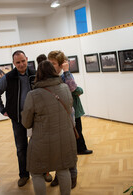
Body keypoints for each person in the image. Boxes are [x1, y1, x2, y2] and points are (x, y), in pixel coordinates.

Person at [21, 60, 77, 195]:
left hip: (42, 140)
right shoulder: (65, 88)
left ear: (38, 74)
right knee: (63, 169)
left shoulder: (33, 95)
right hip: (65, 137)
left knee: (37, 173)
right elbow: (69, 110)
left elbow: (26, 123)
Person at [48, 50, 93, 188]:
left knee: (70, 148)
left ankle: (72, 176)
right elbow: (75, 90)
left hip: (70, 115)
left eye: (54, 63)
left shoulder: (65, 76)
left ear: (61, 64)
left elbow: (73, 88)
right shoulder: (49, 77)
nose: (51, 65)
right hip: (56, 116)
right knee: (57, 149)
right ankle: (58, 176)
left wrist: (67, 72)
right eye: (49, 62)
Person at [0, 50, 36, 187]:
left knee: (38, 145)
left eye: (23, 61)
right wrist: (3, 110)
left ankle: (43, 172)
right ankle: (24, 175)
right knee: (21, 148)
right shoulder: (8, 77)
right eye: (18, 62)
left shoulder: (35, 74)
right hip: (18, 118)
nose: (21, 64)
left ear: (27, 59)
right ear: (14, 63)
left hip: (36, 117)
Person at [36, 54, 53, 183]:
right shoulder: (36, 85)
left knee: (43, 148)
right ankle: (46, 172)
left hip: (44, 122)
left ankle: (46, 172)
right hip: (42, 121)